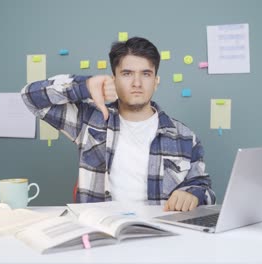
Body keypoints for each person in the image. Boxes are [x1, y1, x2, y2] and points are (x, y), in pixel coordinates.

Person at [21, 37, 216, 211]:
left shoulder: (185, 137)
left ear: (156, 81)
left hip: (161, 238)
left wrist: (193, 193)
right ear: (113, 80)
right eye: (127, 73)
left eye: (146, 74)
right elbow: (30, 97)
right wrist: (85, 86)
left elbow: (204, 188)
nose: (137, 83)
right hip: (101, 237)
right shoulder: (89, 120)